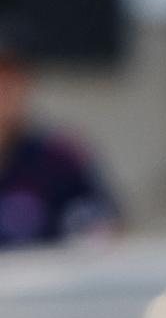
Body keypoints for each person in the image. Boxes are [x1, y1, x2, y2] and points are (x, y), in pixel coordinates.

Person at [0, 50, 120, 247]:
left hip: (43, 273)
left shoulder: (58, 158)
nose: (5, 92)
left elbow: (102, 225)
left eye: (11, 82)